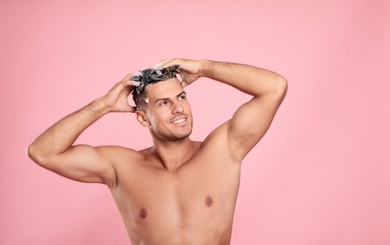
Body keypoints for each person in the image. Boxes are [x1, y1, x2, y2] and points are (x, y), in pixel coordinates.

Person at [28, 58, 287, 245]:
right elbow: (43, 152)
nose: (178, 109)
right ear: (143, 118)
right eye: (164, 103)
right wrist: (102, 106)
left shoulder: (223, 150)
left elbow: (274, 87)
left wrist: (204, 68)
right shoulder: (122, 167)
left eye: (182, 97)